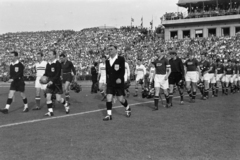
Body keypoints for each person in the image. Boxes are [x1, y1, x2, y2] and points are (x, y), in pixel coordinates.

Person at [103, 44, 131, 121]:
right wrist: (106, 83)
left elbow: (123, 71)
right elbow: (107, 73)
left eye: (111, 49)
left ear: (116, 50)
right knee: (108, 97)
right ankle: (109, 115)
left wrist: (120, 78)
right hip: (110, 83)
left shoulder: (121, 59)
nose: (109, 50)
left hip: (118, 83)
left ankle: (127, 107)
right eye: (109, 49)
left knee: (121, 99)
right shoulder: (107, 61)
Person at [43, 50, 69, 116]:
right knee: (48, 97)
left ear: (54, 55)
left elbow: (57, 74)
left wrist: (52, 81)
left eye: (50, 54)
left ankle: (66, 105)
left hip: (57, 83)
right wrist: (43, 78)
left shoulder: (58, 63)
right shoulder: (48, 64)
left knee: (58, 99)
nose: (49, 55)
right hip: (50, 83)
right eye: (48, 54)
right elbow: (46, 73)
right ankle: (50, 112)